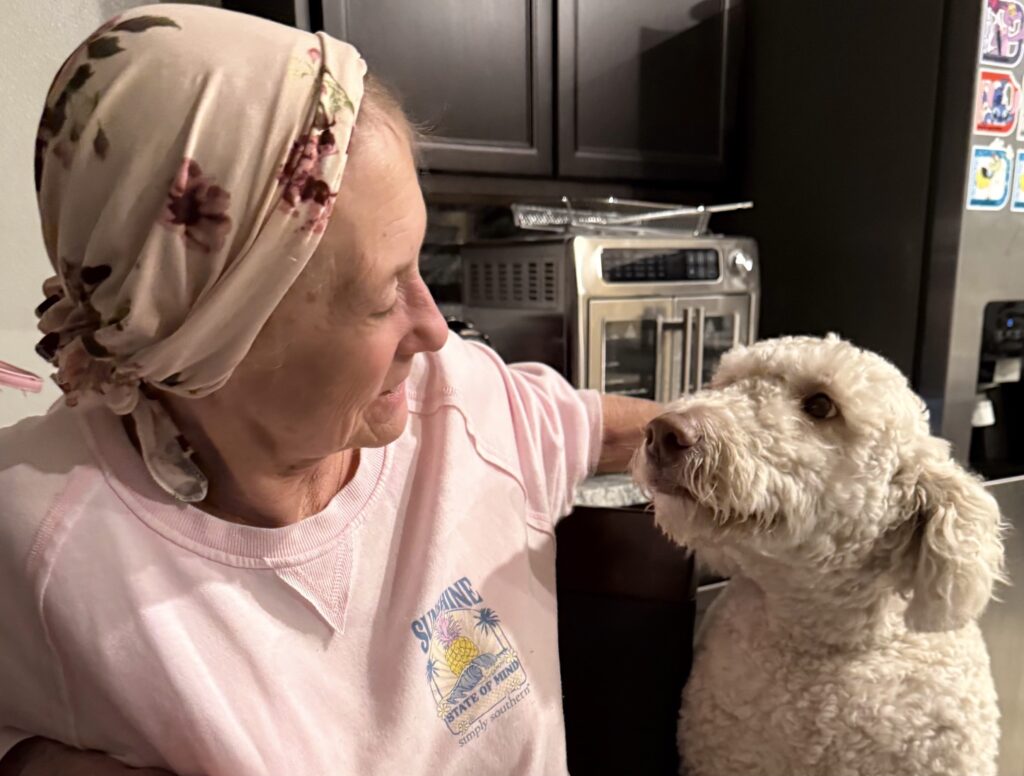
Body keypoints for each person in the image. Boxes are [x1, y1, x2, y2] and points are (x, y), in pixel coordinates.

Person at [0, 5, 659, 775]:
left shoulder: (462, 402)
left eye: (420, 266)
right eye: (383, 297)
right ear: (213, 343)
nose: (434, 330)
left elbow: (629, 431)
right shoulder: (43, 536)